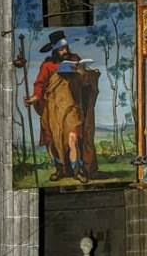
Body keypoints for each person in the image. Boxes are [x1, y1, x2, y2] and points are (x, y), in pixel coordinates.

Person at [24, 30, 99, 183]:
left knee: (72, 138)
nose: (65, 51)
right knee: (53, 141)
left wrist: (82, 72)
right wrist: (35, 97)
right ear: (55, 50)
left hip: (71, 107)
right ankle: (60, 170)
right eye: (61, 49)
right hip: (52, 109)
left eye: (66, 48)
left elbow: (85, 81)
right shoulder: (47, 65)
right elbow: (40, 84)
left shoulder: (75, 60)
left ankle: (77, 171)